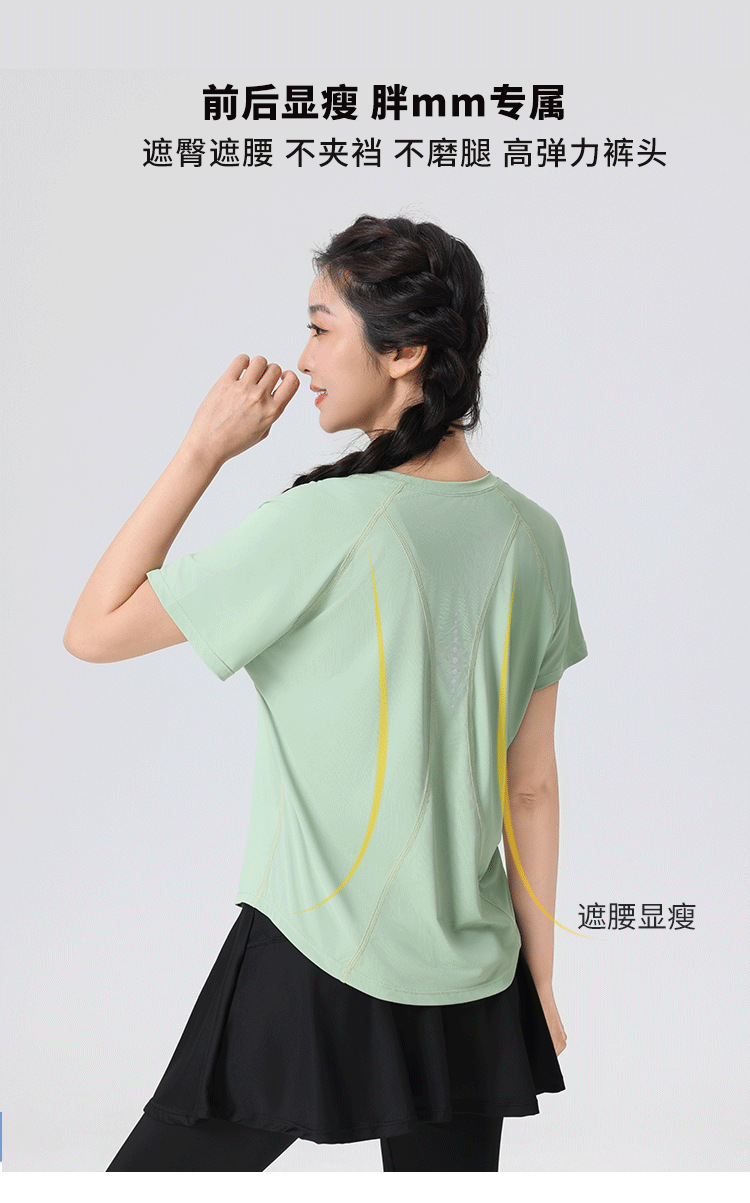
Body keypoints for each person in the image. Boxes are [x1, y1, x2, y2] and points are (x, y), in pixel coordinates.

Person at [64, 213, 588, 1172]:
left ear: (404, 351)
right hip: (475, 971)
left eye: (319, 327)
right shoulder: (535, 536)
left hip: (316, 945)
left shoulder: (325, 521)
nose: (303, 358)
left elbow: (93, 629)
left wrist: (201, 450)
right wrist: (541, 982)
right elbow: (533, 788)